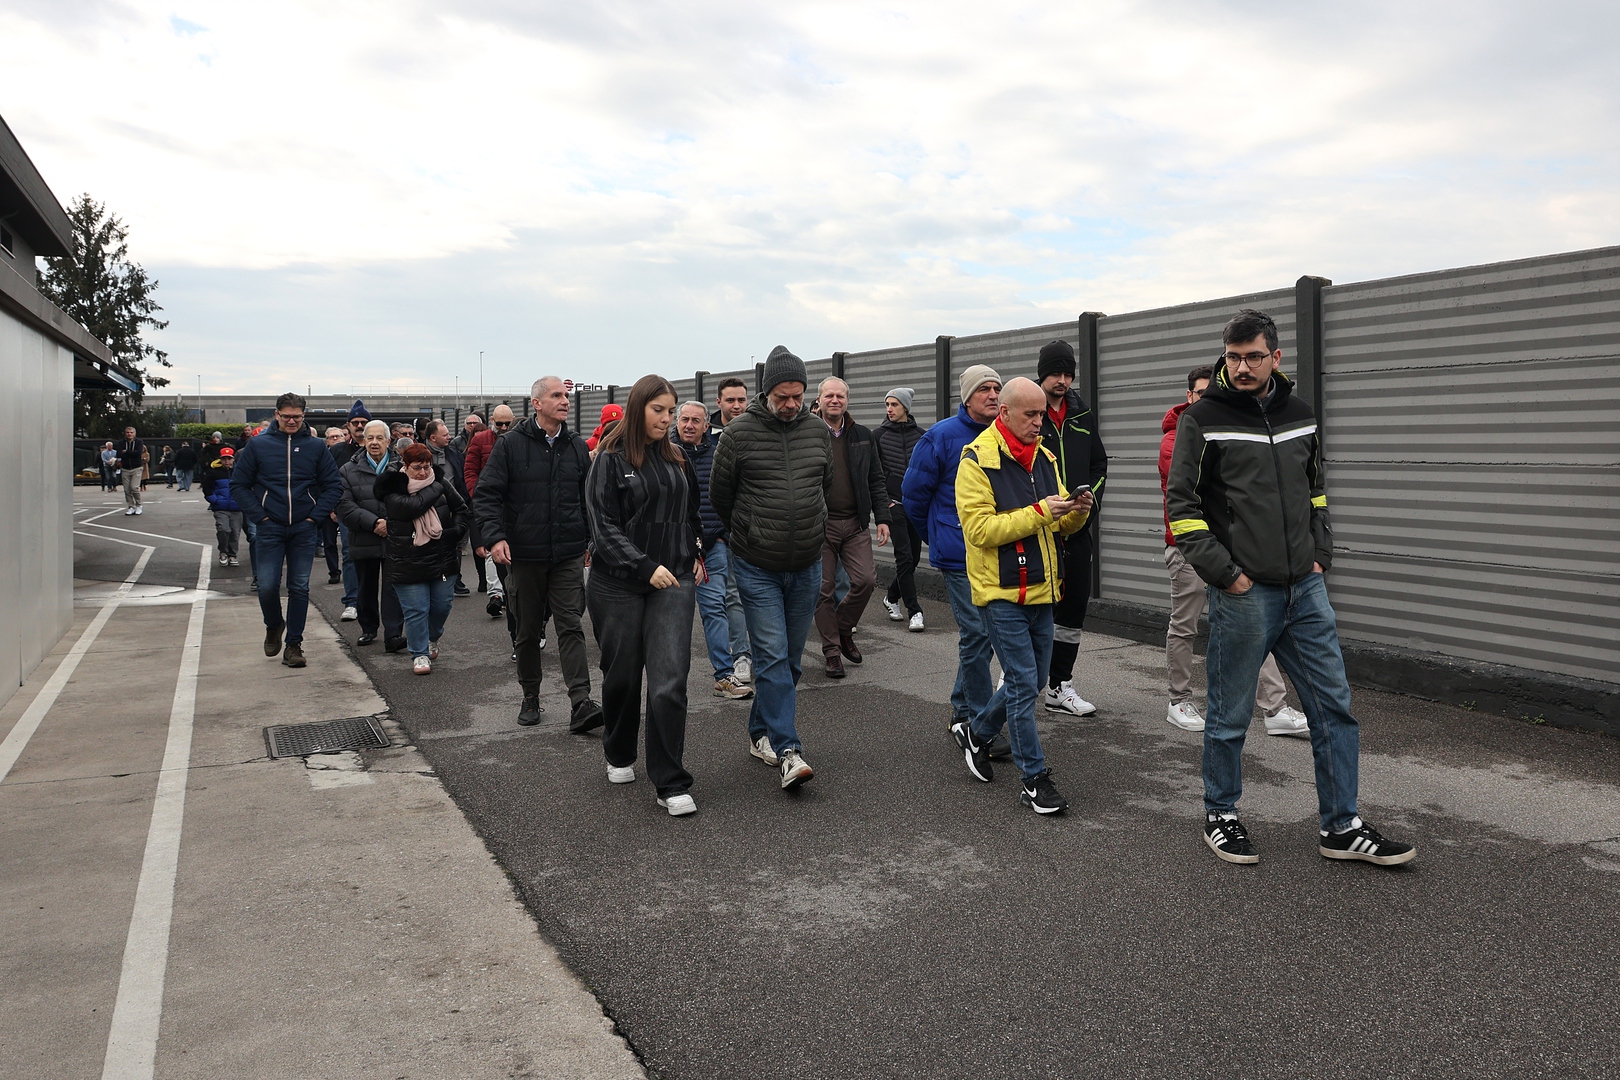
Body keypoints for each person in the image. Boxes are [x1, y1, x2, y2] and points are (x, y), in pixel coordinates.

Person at [1166, 308, 1416, 867]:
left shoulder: (1301, 414)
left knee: (1334, 708)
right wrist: (1226, 574)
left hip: (1305, 589)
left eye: (1254, 356)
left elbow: (1316, 490)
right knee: (1230, 714)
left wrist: (1320, 553)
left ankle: (1341, 826)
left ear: (1275, 357)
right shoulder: (1203, 418)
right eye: (1234, 357)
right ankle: (1221, 815)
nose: (1243, 367)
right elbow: (1181, 508)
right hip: (1244, 593)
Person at [949, 378, 1092, 815]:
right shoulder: (976, 459)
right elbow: (979, 530)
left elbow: (1056, 523)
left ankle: (977, 732)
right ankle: (1034, 779)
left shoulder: (1044, 456)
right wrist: (1042, 511)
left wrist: (1075, 513)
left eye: (1042, 414)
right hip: (1000, 593)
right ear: (1004, 413)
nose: (1039, 423)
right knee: (1025, 684)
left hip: (1042, 590)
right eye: (1030, 415)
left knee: (1029, 680)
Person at [1160, 365, 1307, 737]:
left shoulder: (1229, 428)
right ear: (1189, 396)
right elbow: (1196, 492)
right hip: (1189, 550)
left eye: (1211, 392)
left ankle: (1275, 708)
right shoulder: (1177, 438)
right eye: (1199, 393)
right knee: (1186, 625)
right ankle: (1179, 701)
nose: (1206, 399)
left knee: (1254, 628)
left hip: (1230, 554)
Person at [709, 346, 831, 790]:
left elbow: (824, 484)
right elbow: (721, 496)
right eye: (783, 397)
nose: (792, 404)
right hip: (757, 565)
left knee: (789, 661)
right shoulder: (738, 433)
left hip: (806, 564)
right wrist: (749, 531)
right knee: (773, 656)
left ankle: (759, 731)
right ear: (766, 393)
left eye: (798, 396)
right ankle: (787, 750)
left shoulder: (817, 431)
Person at [586, 375, 706, 816]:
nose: (667, 419)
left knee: (669, 681)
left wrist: (695, 550)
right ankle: (619, 752)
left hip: (673, 580)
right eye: (659, 410)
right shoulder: (609, 459)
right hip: (617, 583)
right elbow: (602, 527)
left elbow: (692, 513)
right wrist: (643, 565)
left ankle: (670, 782)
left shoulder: (678, 458)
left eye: (671, 411)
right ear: (638, 409)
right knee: (621, 676)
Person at [473, 377, 603, 731]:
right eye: (556, 395)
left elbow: (588, 499)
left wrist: (589, 540)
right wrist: (495, 537)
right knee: (528, 631)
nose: (565, 401)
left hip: (567, 553)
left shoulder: (576, 446)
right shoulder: (510, 445)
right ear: (537, 403)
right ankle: (530, 695)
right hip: (525, 555)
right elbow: (487, 494)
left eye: (566, 395)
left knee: (571, 626)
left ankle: (581, 702)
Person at [901, 365, 1011, 760]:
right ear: (967, 397)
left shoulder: (1006, 434)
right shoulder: (940, 437)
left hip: (996, 550)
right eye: (984, 389)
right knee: (977, 634)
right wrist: (938, 535)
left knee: (985, 636)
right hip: (958, 553)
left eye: (997, 388)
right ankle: (976, 722)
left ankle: (962, 709)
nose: (993, 395)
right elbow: (913, 496)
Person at [232, 392, 343, 669]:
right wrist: (260, 516)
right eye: (286, 417)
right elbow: (239, 485)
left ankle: (294, 644)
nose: (292, 421)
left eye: (297, 417)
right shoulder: (259, 445)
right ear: (276, 415)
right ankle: (273, 624)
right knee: (267, 585)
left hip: (304, 528)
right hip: (269, 526)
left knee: (299, 587)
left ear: (304, 416)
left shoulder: (316, 447)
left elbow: (333, 485)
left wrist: (314, 517)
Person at [1034, 339, 1109, 718]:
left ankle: (1058, 685)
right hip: (1038, 530)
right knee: (1033, 609)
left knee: (1073, 610)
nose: (1062, 381)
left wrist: (1088, 504)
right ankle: (1017, 678)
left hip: (1077, 531)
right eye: (1055, 373)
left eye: (1068, 374)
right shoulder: (1031, 413)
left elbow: (1099, 465)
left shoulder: (1082, 414)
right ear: (1042, 375)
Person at [674, 400, 752, 700]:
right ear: (676, 422)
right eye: (684, 419)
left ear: (707, 425)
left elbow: (733, 495)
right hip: (673, 551)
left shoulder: (720, 452)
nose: (689, 425)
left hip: (712, 547)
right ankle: (669, 681)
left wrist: (723, 536)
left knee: (715, 609)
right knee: (672, 617)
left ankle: (724, 676)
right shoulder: (664, 453)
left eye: (696, 420)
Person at [812, 377, 890, 678]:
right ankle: (832, 652)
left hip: (855, 523)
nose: (835, 400)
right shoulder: (808, 432)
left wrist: (882, 518)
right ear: (819, 400)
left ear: (847, 400)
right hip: (820, 525)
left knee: (866, 581)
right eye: (829, 396)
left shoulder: (862, 435)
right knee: (823, 590)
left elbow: (876, 479)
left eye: (840, 396)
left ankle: (844, 629)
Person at [378, 443, 467, 675]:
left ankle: (432, 638)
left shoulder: (441, 482)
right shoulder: (393, 488)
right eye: (417, 467)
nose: (423, 472)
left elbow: (461, 508)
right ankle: (419, 653)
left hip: (441, 556)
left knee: (442, 606)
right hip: (407, 560)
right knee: (416, 610)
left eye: (427, 467)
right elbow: (411, 507)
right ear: (405, 465)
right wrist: (436, 485)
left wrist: (455, 532)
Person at [338, 420, 405, 650]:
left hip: (395, 538)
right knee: (365, 586)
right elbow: (345, 505)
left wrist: (390, 523)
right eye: (370, 438)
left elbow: (410, 500)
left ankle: (393, 634)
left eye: (379, 438)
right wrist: (374, 522)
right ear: (363, 440)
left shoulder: (401, 468)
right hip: (364, 536)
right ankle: (368, 628)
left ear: (388, 441)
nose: (374, 443)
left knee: (393, 587)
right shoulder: (348, 470)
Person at [708, 377, 753, 682]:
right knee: (731, 595)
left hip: (753, 530)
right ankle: (741, 656)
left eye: (741, 400)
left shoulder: (756, 431)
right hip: (720, 532)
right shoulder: (705, 437)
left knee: (754, 594)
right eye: (730, 400)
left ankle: (758, 652)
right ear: (719, 402)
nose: (737, 406)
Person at [876, 387, 925, 632]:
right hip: (893, 504)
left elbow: (929, 470)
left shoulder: (922, 436)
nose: (889, 409)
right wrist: (885, 501)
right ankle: (915, 611)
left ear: (905, 407)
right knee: (904, 557)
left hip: (916, 506)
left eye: (894, 404)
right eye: (887, 404)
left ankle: (892, 597)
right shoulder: (878, 436)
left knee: (913, 558)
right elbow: (874, 473)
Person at [466, 404, 519, 633]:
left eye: (508, 423)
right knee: (494, 553)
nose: (504, 427)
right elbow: (470, 470)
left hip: (514, 507)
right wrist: (478, 495)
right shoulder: (480, 440)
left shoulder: (519, 440)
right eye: (500, 424)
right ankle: (497, 595)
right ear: (492, 421)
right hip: (491, 506)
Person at [430, 418, 475, 596]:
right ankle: (435, 577)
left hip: (453, 507)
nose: (449, 437)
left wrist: (464, 500)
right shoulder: (421, 454)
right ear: (433, 437)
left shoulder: (454, 454)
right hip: (429, 508)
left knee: (454, 544)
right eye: (445, 435)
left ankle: (455, 578)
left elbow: (462, 477)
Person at [317, 427, 350, 586]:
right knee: (329, 542)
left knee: (347, 544)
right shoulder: (322, 458)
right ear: (327, 441)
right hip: (328, 504)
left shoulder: (350, 456)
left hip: (346, 505)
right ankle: (334, 571)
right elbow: (321, 483)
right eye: (332, 437)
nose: (336, 439)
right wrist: (330, 508)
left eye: (338, 436)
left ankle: (350, 573)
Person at [203, 446, 245, 566]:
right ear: (220, 460)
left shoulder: (240, 472)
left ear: (233, 459)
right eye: (224, 459)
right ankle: (223, 551)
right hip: (220, 507)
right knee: (223, 529)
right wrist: (214, 500)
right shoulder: (214, 472)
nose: (227, 461)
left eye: (229, 459)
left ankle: (232, 555)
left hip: (236, 507)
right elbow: (207, 488)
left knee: (235, 533)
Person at [117, 426, 144, 514]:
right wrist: (131, 453)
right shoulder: (121, 443)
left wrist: (127, 452)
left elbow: (138, 453)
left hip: (136, 468)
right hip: (125, 468)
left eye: (131, 432)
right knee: (127, 490)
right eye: (128, 432)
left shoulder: (139, 442)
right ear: (125, 433)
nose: (129, 434)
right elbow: (119, 454)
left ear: (134, 433)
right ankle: (131, 506)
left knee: (134, 487)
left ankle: (139, 505)